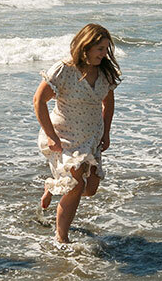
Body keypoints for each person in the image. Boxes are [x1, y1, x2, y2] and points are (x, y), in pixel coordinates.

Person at [34, 23, 121, 243]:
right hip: (63, 136)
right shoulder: (64, 70)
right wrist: (52, 136)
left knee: (90, 189)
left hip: (91, 137)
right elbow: (38, 101)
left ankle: (53, 186)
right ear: (86, 46)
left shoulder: (105, 73)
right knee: (75, 186)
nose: (104, 54)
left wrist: (106, 133)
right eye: (100, 49)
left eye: (106, 49)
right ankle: (61, 239)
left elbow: (108, 104)